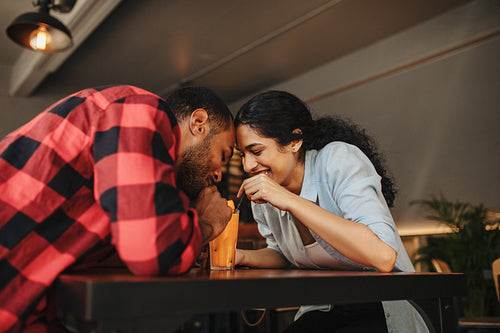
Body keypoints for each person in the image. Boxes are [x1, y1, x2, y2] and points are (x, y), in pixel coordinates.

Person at [0, 85, 235, 332]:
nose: (219, 175)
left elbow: (129, 251)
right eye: (223, 155)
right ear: (199, 123)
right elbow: (154, 251)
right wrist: (205, 223)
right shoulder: (140, 108)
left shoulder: (143, 174)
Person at [234, 90, 428, 332]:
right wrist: (241, 257)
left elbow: (383, 256)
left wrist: (290, 201)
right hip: (325, 308)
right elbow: (283, 253)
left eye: (257, 151)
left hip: (380, 306)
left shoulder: (338, 160)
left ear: (295, 141)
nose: (248, 165)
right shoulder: (267, 189)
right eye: (242, 154)